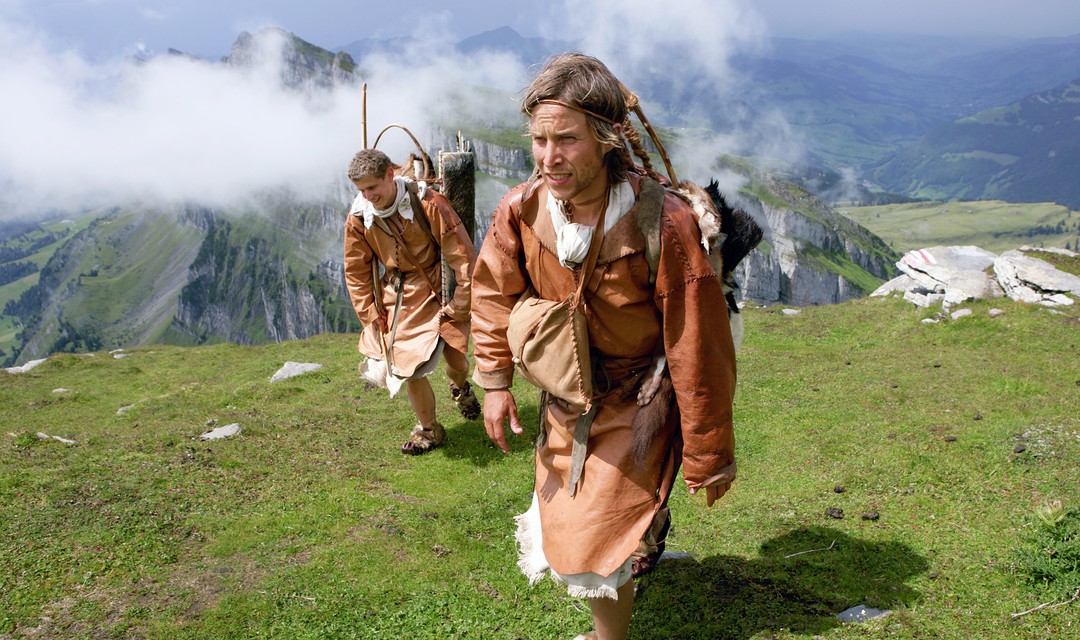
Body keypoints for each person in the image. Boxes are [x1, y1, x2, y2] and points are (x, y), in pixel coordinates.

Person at [470, 53, 738, 640]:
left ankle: (609, 635)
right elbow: (491, 293)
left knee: (595, 534)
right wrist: (493, 383)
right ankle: (636, 544)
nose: (549, 157)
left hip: (640, 398)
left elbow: (697, 344)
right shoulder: (521, 209)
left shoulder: (661, 224)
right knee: (569, 521)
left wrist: (709, 453)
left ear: (608, 139)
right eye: (539, 140)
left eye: (566, 139)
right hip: (566, 396)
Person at [343, 148, 480, 455]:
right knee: (409, 367)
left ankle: (460, 386)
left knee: (457, 361)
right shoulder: (359, 218)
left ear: (390, 176)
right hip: (399, 295)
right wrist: (370, 313)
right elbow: (356, 269)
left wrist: (461, 301)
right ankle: (429, 430)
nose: (367, 196)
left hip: (439, 287)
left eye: (372, 188)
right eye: (361, 190)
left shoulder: (427, 202)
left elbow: (460, 253)